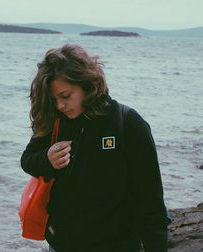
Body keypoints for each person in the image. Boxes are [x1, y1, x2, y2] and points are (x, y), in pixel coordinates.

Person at [21, 44, 168, 252]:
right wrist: (47, 160)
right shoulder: (56, 120)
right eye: (54, 100)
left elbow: (151, 204)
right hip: (61, 245)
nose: (60, 106)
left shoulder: (127, 124)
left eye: (65, 96)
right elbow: (27, 160)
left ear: (85, 84)